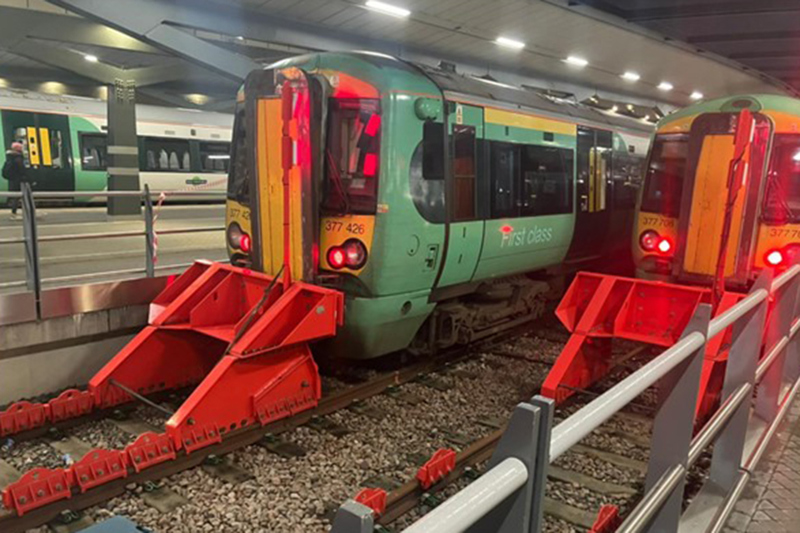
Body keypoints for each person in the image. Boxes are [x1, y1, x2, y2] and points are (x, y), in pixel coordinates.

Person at [2, 142, 26, 219]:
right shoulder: (18, 158)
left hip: (12, 180)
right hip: (18, 180)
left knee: (16, 196)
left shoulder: (10, 157)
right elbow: (22, 170)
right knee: (21, 196)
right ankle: (15, 211)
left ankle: (14, 211)